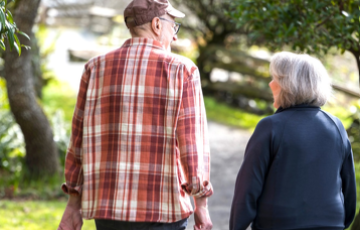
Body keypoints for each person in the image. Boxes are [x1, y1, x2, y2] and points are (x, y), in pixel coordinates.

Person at [58, 0, 213, 229]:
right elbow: (192, 145)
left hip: (108, 210)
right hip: (163, 209)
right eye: (174, 27)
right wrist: (201, 204)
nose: (175, 37)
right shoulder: (183, 70)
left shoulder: (94, 69)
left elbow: (77, 142)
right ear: (157, 25)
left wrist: (73, 203)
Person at [229, 51, 356, 230]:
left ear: (287, 85)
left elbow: (247, 190)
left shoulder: (270, 126)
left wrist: (237, 227)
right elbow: (349, 190)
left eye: (275, 78)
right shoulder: (336, 126)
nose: (270, 83)